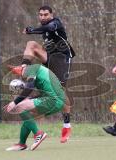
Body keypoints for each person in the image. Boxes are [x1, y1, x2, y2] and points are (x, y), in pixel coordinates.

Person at [21, 5, 75, 143]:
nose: (43, 17)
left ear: (51, 15)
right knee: (31, 44)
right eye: (41, 15)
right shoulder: (43, 30)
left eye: (46, 14)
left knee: (60, 93)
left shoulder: (55, 23)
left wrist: (31, 30)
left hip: (62, 59)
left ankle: (67, 126)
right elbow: (45, 36)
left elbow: (49, 28)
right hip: (50, 58)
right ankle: (24, 67)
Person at [5, 64, 66, 151]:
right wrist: (29, 99)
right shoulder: (39, 71)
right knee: (27, 117)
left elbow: (29, 87)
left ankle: (38, 134)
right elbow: (45, 92)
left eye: (20, 72)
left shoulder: (32, 68)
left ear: (24, 67)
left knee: (19, 107)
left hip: (53, 100)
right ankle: (21, 144)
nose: (21, 76)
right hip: (57, 101)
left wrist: (15, 102)